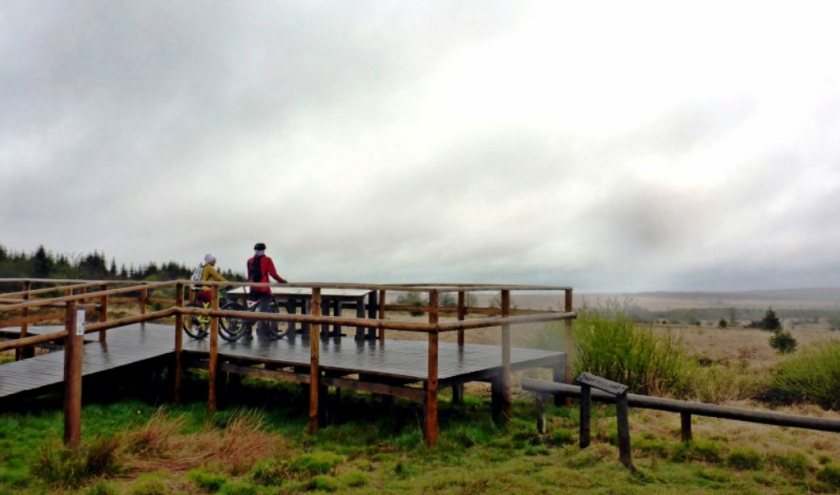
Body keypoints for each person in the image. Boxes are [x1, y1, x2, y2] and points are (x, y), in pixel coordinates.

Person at [247, 242, 288, 338]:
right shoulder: (267, 260)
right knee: (264, 312)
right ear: (264, 250)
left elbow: (249, 276)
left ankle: (246, 330)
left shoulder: (249, 261)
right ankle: (267, 334)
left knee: (250, 310)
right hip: (263, 289)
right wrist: (282, 281)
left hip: (253, 289)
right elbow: (273, 274)